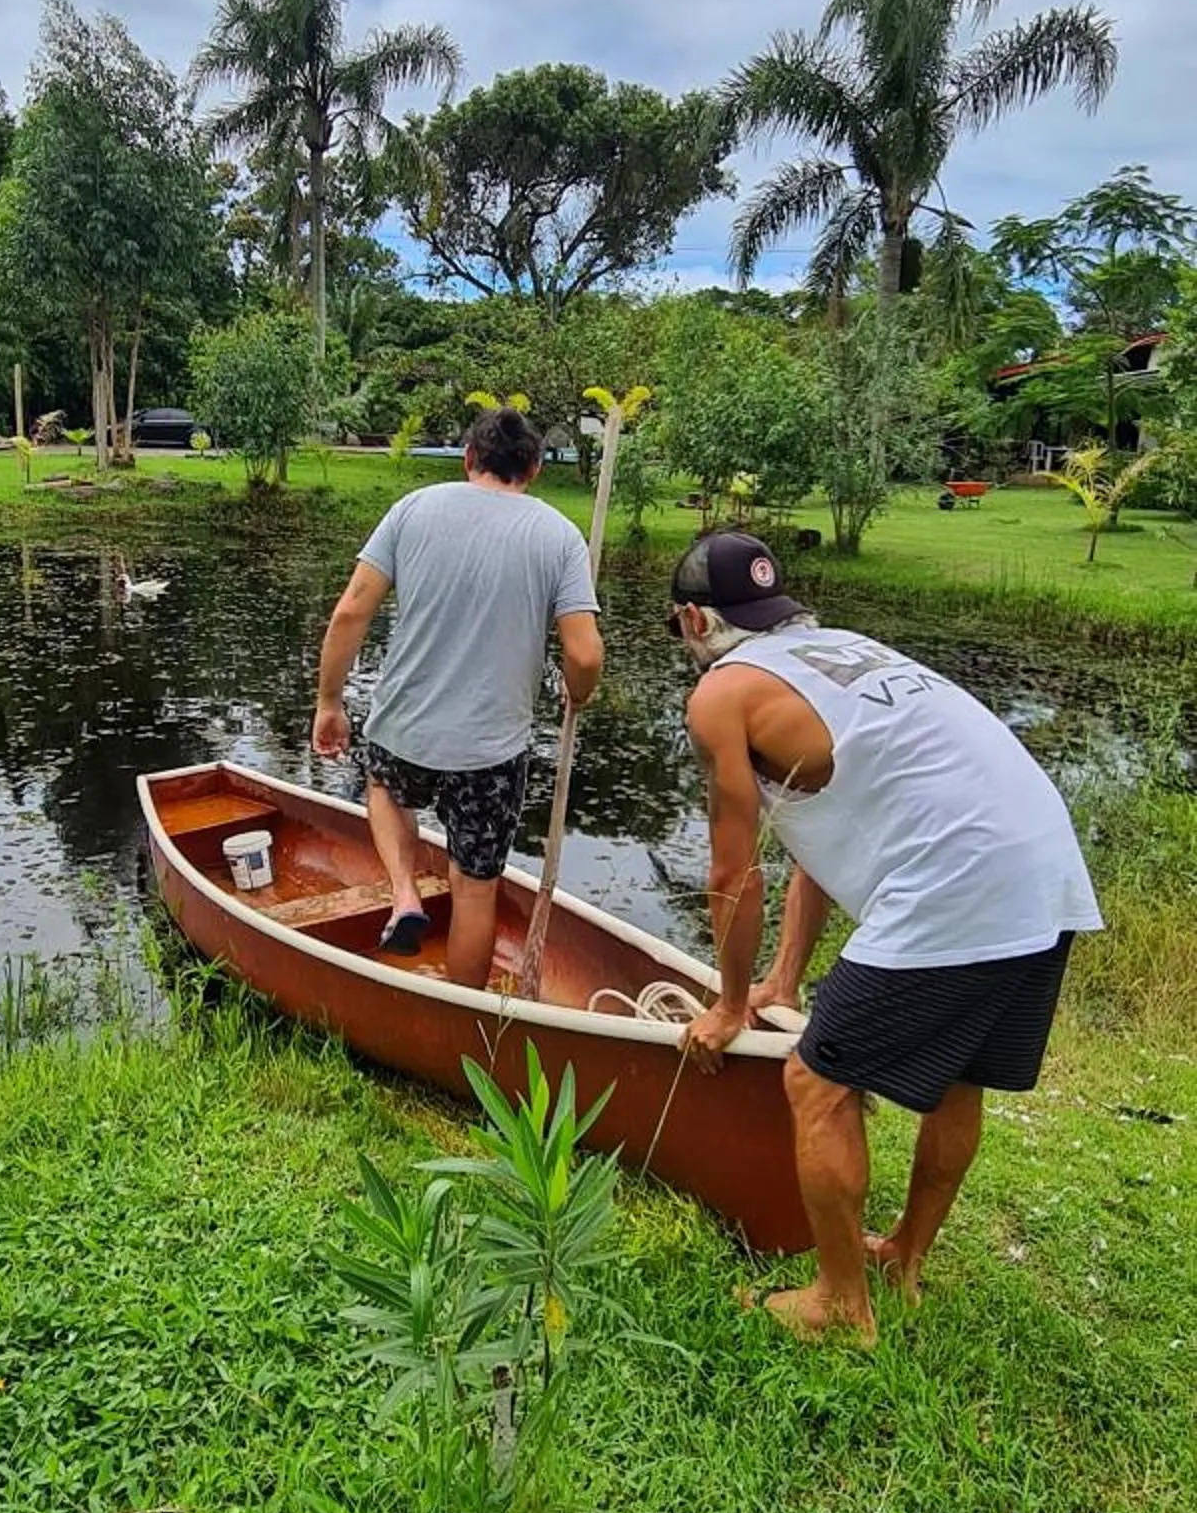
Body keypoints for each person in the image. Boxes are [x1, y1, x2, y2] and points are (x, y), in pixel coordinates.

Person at [668, 530, 1101, 1343]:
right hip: (1045, 870)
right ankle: (904, 1259)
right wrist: (781, 979)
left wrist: (728, 1005)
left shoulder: (721, 693)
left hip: (957, 881)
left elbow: (733, 874)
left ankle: (840, 1304)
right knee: (962, 1078)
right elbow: (815, 840)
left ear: (694, 621)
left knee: (817, 1081)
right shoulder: (838, 650)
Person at [312, 407, 604, 986]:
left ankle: (405, 894)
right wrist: (579, 692)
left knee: (383, 787)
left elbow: (350, 612)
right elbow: (586, 655)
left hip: (403, 731)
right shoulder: (558, 536)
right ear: (535, 469)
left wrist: (329, 702)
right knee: (474, 889)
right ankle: (463, 1015)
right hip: (491, 753)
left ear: (469, 458)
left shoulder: (413, 509)